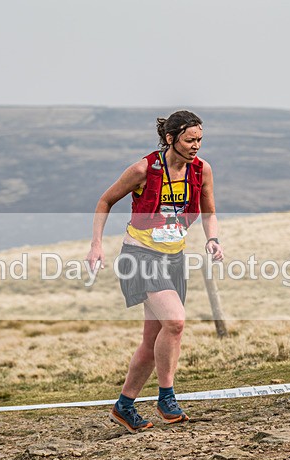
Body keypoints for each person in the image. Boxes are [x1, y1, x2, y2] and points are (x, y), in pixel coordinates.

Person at [86, 110, 223, 433]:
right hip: (140, 255)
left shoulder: (201, 171)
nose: (196, 146)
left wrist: (213, 239)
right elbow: (105, 201)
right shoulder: (143, 169)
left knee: (152, 340)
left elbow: (209, 212)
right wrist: (96, 245)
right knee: (175, 322)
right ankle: (166, 397)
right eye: (190, 140)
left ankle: (124, 406)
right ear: (170, 138)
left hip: (174, 258)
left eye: (200, 140)